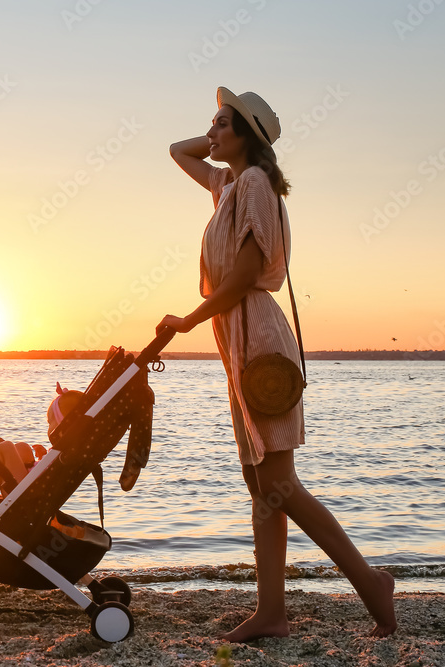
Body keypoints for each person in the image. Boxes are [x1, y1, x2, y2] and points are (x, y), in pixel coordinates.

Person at [157, 87, 397, 640]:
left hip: (258, 337)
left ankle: (368, 581)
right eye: (211, 123)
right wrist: (224, 134)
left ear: (246, 134)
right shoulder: (232, 184)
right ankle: (272, 612)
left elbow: (243, 274)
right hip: (237, 338)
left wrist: (188, 321)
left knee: (280, 484)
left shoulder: (256, 185)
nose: (210, 133)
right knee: (260, 483)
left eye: (221, 124)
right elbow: (178, 150)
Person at [0, 383, 84, 505]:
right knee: (23, 448)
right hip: (28, 487)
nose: (48, 427)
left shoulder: (65, 453)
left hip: (25, 496)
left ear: (62, 426)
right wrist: (42, 457)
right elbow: (46, 472)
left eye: (50, 422)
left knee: (5, 447)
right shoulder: (67, 451)